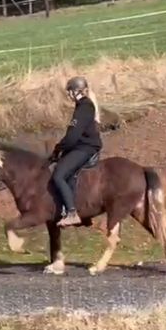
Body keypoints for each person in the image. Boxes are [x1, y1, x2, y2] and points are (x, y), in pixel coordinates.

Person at [49, 76, 102, 227]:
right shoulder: (82, 106)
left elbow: (73, 136)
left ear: (75, 92)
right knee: (68, 173)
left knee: (58, 175)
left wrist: (59, 148)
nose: (68, 95)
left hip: (85, 147)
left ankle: (72, 213)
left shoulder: (84, 107)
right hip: (81, 145)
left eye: (69, 92)